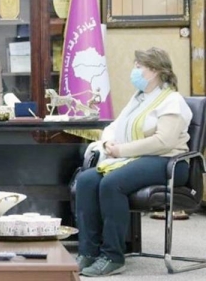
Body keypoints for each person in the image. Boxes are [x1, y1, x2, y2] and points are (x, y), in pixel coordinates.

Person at [74, 47, 192, 277]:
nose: (134, 71)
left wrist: (121, 150)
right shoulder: (138, 98)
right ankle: (88, 252)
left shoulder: (172, 101)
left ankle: (112, 256)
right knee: (87, 180)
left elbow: (163, 142)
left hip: (168, 162)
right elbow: (115, 126)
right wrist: (108, 142)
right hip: (133, 158)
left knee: (112, 183)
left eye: (139, 67)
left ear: (156, 71)